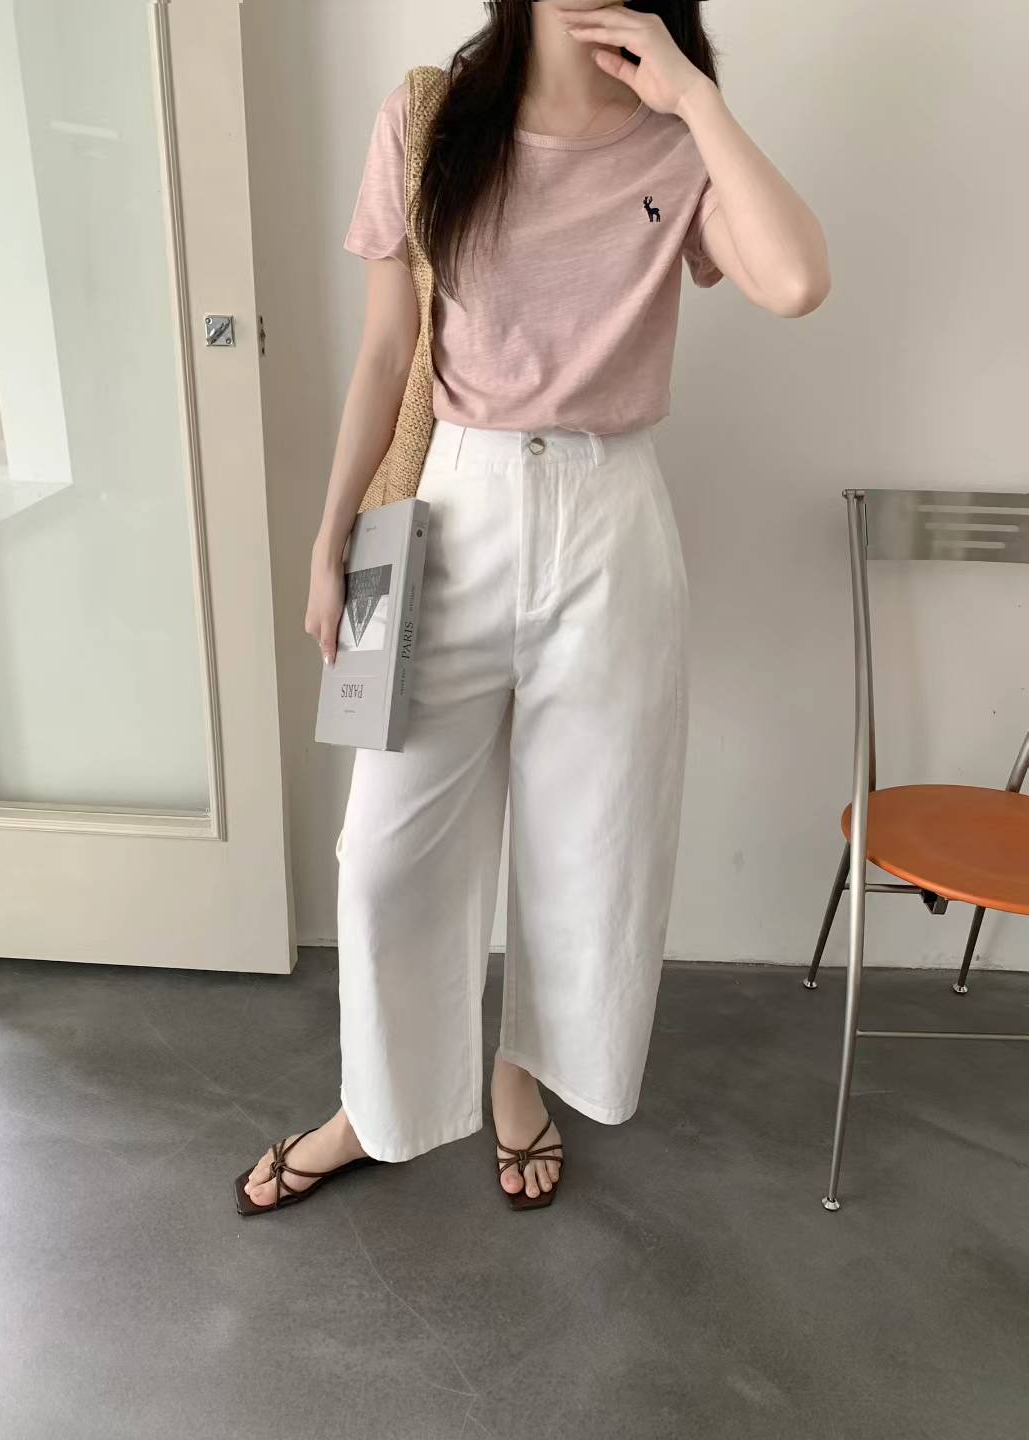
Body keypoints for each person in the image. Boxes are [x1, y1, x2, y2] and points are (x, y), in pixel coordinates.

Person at [237, 0, 829, 1214]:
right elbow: (386, 349)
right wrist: (330, 536)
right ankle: (376, 1104)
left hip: (612, 514)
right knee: (383, 858)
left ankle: (524, 1075)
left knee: (591, 846)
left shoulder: (676, 141)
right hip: (448, 512)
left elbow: (797, 281)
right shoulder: (428, 118)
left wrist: (694, 97)